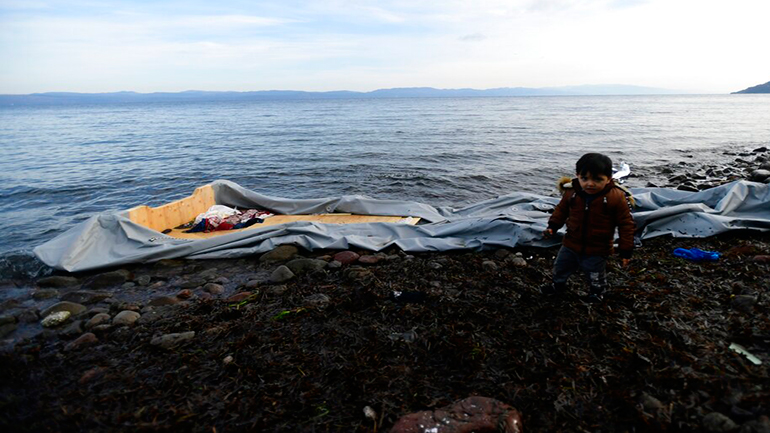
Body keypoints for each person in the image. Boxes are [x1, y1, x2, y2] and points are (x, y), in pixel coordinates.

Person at [542, 153, 635, 302]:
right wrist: (553, 226)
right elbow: (561, 210)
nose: (590, 184)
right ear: (577, 175)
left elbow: (626, 224)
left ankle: (597, 292)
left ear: (609, 179)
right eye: (584, 178)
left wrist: (626, 250)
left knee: (595, 273)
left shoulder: (615, 197)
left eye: (597, 179)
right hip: (570, 243)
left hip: (598, 248)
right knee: (560, 267)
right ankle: (557, 285)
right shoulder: (572, 192)